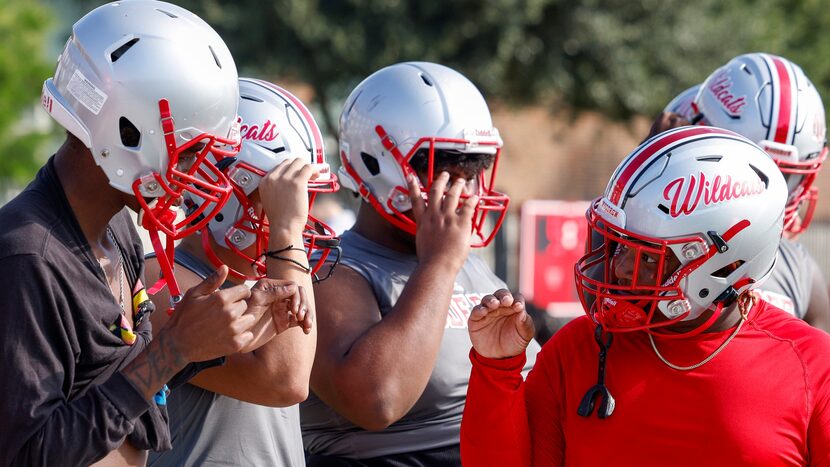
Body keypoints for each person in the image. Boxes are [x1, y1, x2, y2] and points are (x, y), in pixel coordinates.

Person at [0, 2, 294, 465]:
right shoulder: (28, 256)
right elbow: (30, 453)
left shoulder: (116, 227)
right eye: (194, 149)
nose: (204, 173)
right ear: (128, 132)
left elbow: (122, 391)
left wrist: (204, 339)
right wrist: (175, 346)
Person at [461, 126, 830, 465]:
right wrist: (496, 370)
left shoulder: (812, 366)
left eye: (645, 256)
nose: (619, 268)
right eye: (617, 246)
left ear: (724, 264)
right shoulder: (578, 348)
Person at [301, 61, 540, 465]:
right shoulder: (331, 270)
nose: (465, 191)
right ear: (373, 163)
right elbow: (377, 400)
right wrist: (439, 266)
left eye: (475, 169)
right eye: (447, 171)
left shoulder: (466, 263)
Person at [147, 78, 339, 466]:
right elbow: (285, 380)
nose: (301, 217)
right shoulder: (159, 278)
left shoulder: (266, 274)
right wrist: (284, 232)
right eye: (280, 199)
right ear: (221, 193)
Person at [649, 53, 830, 332]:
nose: (769, 192)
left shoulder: (801, 271)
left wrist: (649, 163)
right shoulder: (799, 272)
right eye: (755, 173)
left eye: (784, 176)